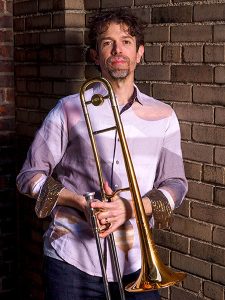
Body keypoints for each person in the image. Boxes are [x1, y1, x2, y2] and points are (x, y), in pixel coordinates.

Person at [16, 8, 188, 300]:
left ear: (139, 53)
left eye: (126, 41)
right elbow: (29, 177)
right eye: (107, 42)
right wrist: (78, 201)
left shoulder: (164, 116)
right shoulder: (69, 109)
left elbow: (175, 185)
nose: (117, 49)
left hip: (136, 262)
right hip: (71, 258)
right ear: (96, 55)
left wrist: (131, 208)